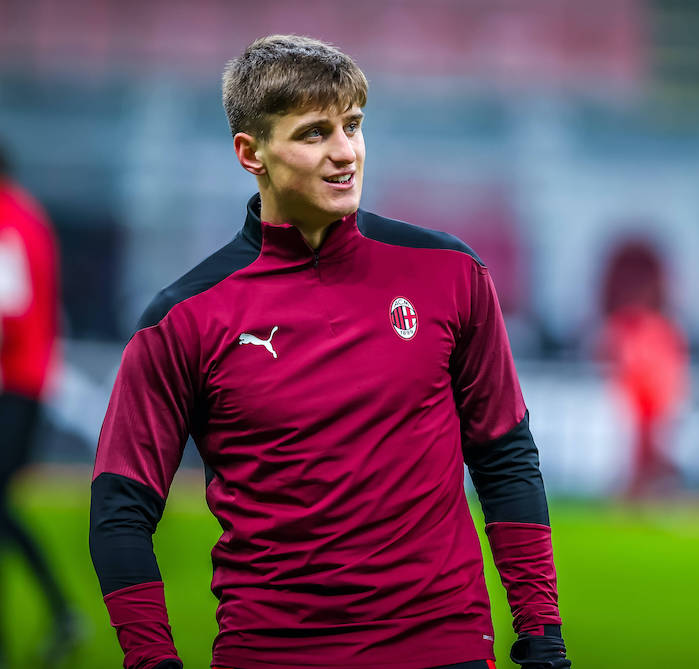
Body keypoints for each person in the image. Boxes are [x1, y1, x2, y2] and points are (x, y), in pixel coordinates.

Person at [89, 35, 570, 669]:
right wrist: (152, 660)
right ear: (250, 153)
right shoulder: (183, 319)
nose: (345, 153)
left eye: (353, 125)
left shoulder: (450, 273)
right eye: (315, 133)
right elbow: (121, 508)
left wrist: (542, 636)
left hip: (443, 649)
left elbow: (505, 457)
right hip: (271, 655)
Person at [0, 143, 77, 666]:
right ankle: (60, 612)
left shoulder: (8, 220)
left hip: (12, 384)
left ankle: (59, 613)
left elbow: (8, 310)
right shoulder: (27, 216)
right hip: (26, 382)